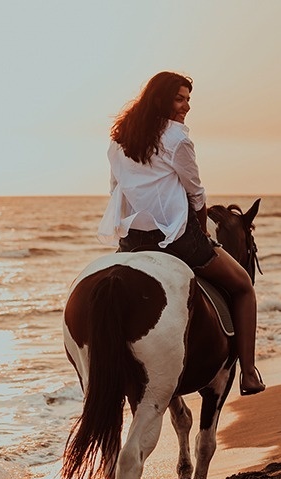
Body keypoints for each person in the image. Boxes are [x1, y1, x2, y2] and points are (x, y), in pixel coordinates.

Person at [97, 71, 265, 395]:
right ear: (160, 98)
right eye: (179, 98)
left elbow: (115, 189)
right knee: (244, 286)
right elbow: (196, 195)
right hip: (176, 241)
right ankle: (248, 373)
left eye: (188, 99)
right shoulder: (176, 138)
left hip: (132, 243)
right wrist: (202, 234)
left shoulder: (118, 140)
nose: (186, 106)